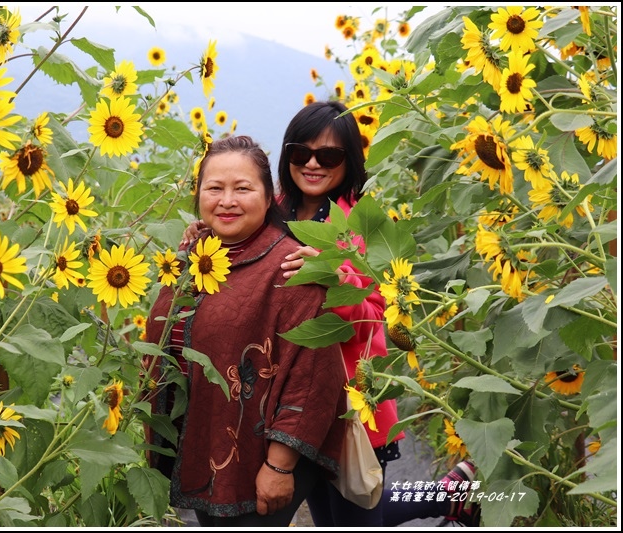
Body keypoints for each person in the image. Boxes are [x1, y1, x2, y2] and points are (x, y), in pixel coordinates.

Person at [181, 102, 480, 527]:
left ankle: (449, 494)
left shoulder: (364, 222)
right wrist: (205, 234)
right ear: (287, 158)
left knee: (354, 511)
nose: (314, 164)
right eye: (302, 153)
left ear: (350, 160)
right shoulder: (274, 209)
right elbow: (241, 243)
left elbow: (381, 315)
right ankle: (452, 495)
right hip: (286, 401)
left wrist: (334, 280)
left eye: (330, 155)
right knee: (336, 512)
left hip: (348, 399)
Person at [144, 135, 348, 527]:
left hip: (259, 460)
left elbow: (313, 378)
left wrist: (281, 466)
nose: (227, 200)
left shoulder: (291, 267)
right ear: (198, 194)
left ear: (269, 196)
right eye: (214, 188)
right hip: (203, 448)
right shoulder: (195, 256)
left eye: (242, 188)